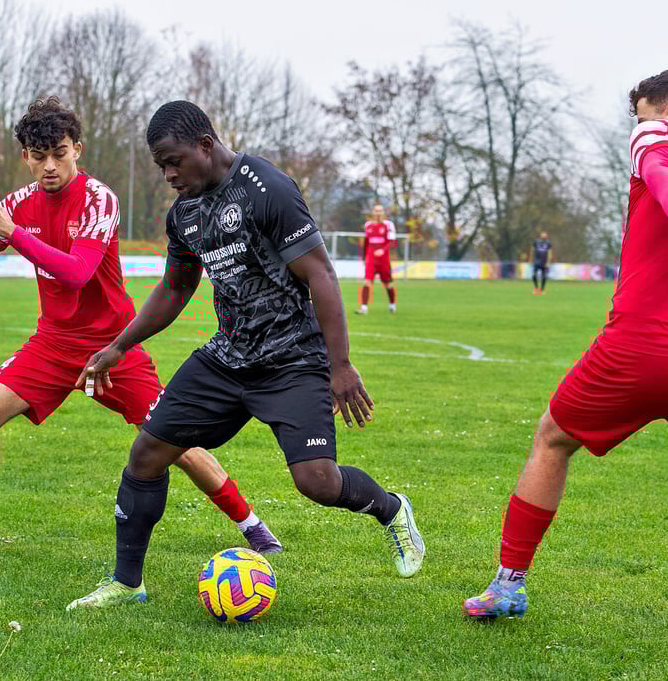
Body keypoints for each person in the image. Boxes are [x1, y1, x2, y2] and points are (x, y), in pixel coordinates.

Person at [0, 97, 281, 555]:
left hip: (112, 348)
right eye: (39, 155)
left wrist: (16, 235)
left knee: (175, 442)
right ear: (25, 155)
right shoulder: (18, 206)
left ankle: (253, 526)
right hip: (52, 344)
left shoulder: (98, 198)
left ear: (77, 149)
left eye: (59, 153)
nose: (49, 165)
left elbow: (77, 272)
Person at [66, 100, 424, 610]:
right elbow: (174, 289)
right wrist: (119, 345)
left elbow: (320, 273)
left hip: (293, 359)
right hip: (227, 358)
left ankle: (391, 510)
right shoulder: (184, 213)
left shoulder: (265, 187)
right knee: (146, 455)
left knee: (317, 482)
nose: (168, 175)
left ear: (206, 146)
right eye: (159, 166)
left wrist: (340, 365)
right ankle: (127, 583)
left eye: (174, 161)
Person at [462, 68, 668, 665]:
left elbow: (658, 168)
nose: (640, 124)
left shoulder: (663, 134)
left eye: (644, 113)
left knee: (552, 438)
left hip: (639, 349)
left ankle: (508, 585)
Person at [355, 204, 397, 314]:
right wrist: (364, 258)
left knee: (387, 283)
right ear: (373, 212)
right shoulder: (368, 225)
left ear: (383, 212)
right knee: (367, 282)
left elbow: (392, 241)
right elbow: (366, 243)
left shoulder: (388, 225)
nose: (378, 213)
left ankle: (392, 304)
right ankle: (364, 308)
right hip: (371, 258)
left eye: (380, 211)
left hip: (384, 259)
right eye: (376, 211)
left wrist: (383, 250)